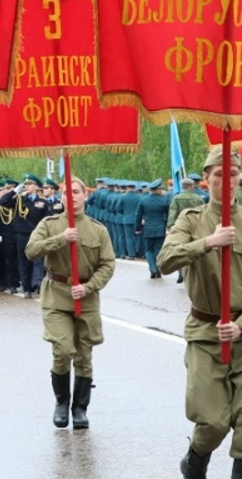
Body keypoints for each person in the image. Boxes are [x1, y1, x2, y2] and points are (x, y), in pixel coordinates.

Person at [158, 149, 242, 479]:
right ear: (206, 179)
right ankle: (195, 462)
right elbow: (166, 260)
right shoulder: (191, 220)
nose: (227, 181)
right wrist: (207, 243)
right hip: (206, 333)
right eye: (219, 174)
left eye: (235, 174)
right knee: (212, 420)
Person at [24, 178, 115, 429]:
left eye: (76, 192)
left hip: (85, 296)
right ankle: (62, 402)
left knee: (84, 355)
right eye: (67, 193)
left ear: (85, 196)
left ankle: (80, 408)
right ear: (61, 198)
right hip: (56, 294)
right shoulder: (50, 224)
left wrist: (88, 286)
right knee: (63, 350)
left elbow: (108, 264)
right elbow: (31, 250)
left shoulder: (98, 230)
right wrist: (62, 239)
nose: (71, 196)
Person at [136, 180, 172, 279]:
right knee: (158, 249)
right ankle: (158, 269)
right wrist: (168, 227)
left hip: (148, 228)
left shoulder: (143, 200)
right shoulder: (164, 200)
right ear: (157, 189)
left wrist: (137, 228)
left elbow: (138, 215)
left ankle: (152, 268)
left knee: (148, 250)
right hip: (161, 227)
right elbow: (169, 215)